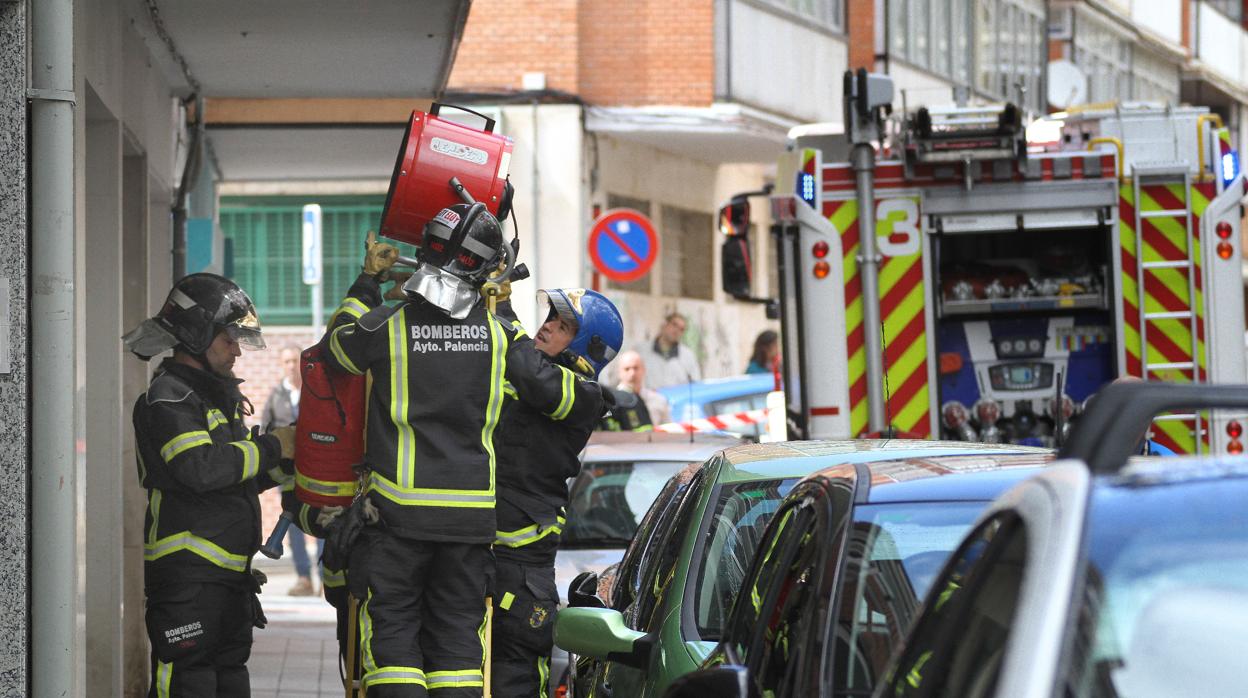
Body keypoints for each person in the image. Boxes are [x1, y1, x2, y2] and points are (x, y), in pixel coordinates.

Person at [320, 210, 606, 697]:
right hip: (470, 527)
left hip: (400, 520)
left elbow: (336, 351)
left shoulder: (388, 323)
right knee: (458, 652)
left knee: (393, 644)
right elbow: (557, 392)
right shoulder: (501, 336)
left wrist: (367, 284)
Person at [123, 273, 297, 697]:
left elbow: (232, 477)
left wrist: (290, 465)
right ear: (197, 335)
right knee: (189, 682)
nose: (237, 350)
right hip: (188, 578)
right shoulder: (169, 399)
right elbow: (200, 469)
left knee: (229, 681)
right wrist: (274, 447)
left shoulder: (211, 398)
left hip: (225, 577)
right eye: (229, 340)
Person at [491, 287, 622, 695]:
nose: (546, 326)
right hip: (489, 553)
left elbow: (531, 377)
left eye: (562, 325)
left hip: (522, 566)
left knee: (515, 678)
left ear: (585, 344)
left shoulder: (582, 395)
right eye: (549, 318)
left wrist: (503, 315)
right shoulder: (532, 372)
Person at [261, 345, 324, 596]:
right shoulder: (276, 396)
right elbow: (267, 429)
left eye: (294, 360)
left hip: (317, 472)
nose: (290, 365)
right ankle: (304, 579)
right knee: (293, 526)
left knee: (321, 523)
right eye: (286, 361)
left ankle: (323, 577)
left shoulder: (316, 391)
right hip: (288, 476)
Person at [638, 312, 701, 389]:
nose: (677, 330)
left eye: (681, 329)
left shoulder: (688, 356)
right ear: (665, 325)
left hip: (678, 399)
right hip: (648, 399)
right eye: (674, 325)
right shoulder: (641, 350)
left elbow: (695, 384)